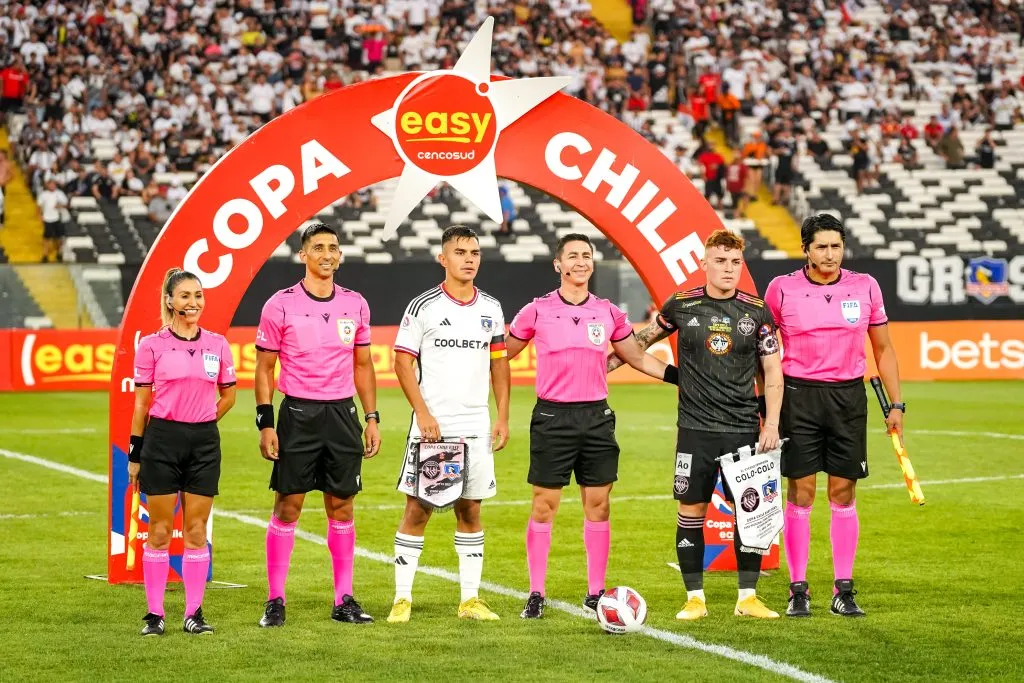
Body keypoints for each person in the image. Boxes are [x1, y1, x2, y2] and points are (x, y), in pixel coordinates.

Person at [607, 230, 784, 620]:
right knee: (691, 511)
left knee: (749, 512)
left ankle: (747, 598)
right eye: (720, 261)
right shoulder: (682, 305)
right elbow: (640, 344)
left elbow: (772, 370)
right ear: (704, 263)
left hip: (742, 428)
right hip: (695, 428)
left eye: (735, 262)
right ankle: (695, 598)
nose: (728, 269)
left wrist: (770, 422)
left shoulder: (756, 312)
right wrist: (615, 363)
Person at [505, 233, 678, 619]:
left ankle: (596, 592)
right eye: (573, 256)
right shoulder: (537, 310)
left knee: (598, 506)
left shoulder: (609, 312)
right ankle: (536, 592)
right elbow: (503, 352)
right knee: (544, 506)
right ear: (558, 264)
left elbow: (636, 357)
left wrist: (681, 378)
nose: (581, 262)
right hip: (552, 417)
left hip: (597, 418)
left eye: (587, 255)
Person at [764, 214, 904, 618]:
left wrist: (896, 404)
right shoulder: (782, 289)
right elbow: (766, 355)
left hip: (848, 398)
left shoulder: (865, 286)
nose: (830, 254)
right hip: (798, 398)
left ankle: (843, 589)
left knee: (843, 493)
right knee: (801, 493)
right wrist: (767, 409)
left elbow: (884, 349)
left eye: (836, 246)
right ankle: (798, 589)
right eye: (821, 246)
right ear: (806, 249)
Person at [254, 222, 381, 628]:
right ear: (303, 255)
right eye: (319, 247)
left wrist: (372, 417)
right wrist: (266, 422)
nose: (328, 254)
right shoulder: (280, 304)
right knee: (288, 507)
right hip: (297, 416)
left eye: (334, 247)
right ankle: (276, 599)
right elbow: (264, 367)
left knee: (341, 506)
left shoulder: (356, 303)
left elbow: (363, 365)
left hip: (343, 416)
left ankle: (343, 598)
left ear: (340, 255)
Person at [387, 225, 511, 623]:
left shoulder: (491, 308)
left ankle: (469, 599)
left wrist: (503, 416)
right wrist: (423, 413)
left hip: (476, 424)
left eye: (474, 252)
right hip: (434, 427)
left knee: (471, 509)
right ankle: (402, 598)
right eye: (460, 252)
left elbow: (499, 364)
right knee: (418, 509)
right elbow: (401, 362)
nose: (469, 258)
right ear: (443, 259)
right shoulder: (423, 306)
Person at [130, 268, 237, 636]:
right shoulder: (152, 346)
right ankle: (155, 615)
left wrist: (206, 420)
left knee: (195, 530)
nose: (194, 303)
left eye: (198, 295)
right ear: (170, 301)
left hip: (204, 443)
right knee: (158, 530)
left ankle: (194, 613)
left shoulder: (218, 344)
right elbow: (142, 405)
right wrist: (134, 454)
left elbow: (229, 395)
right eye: (186, 296)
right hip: (162, 441)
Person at [37, 179, 68, 263]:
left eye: (53, 184)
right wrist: (40, 216)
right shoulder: (43, 194)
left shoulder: (60, 194)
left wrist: (60, 205)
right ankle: (45, 255)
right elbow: (39, 206)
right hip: (47, 218)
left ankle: (59, 253)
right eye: (50, 184)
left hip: (57, 218)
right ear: (47, 185)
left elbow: (66, 204)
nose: (52, 186)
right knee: (46, 238)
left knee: (59, 237)